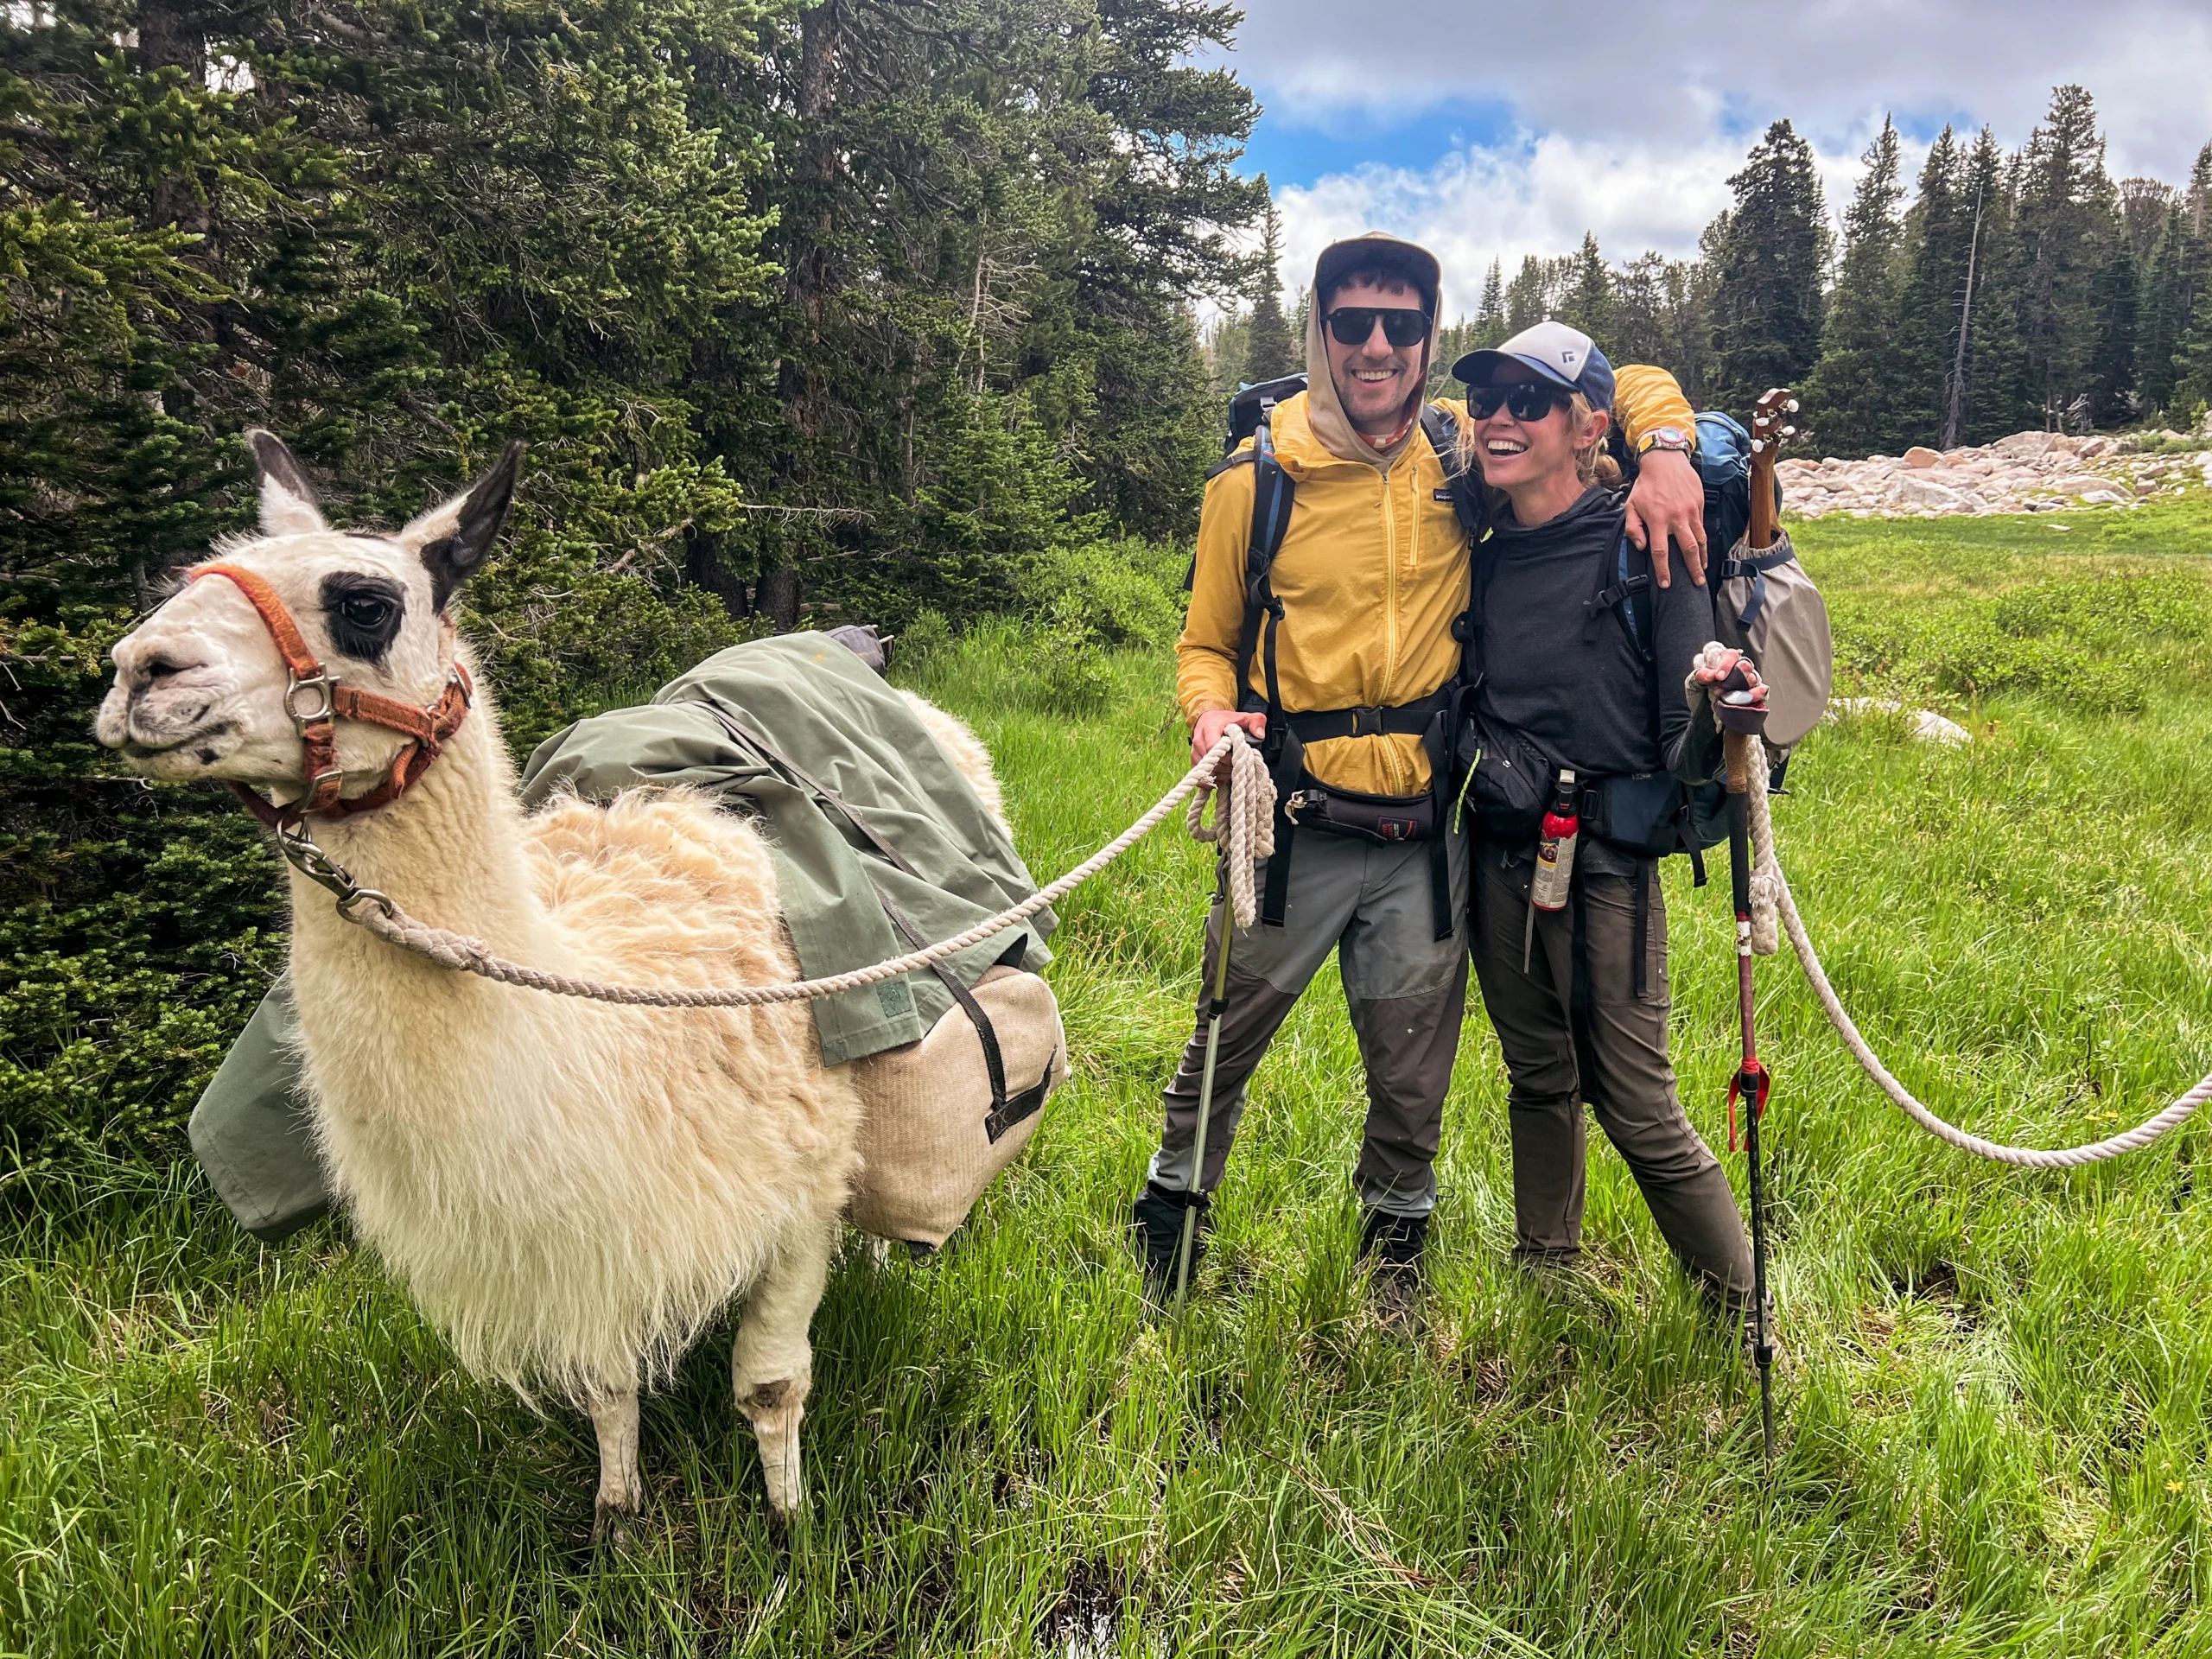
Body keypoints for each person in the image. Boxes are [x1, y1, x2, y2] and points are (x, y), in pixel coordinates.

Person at [1129, 232, 1711, 1293]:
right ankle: (1169, 1218)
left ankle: (1393, 1255)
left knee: (1411, 1073)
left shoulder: (1459, 451)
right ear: (1321, 331)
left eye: (1402, 325)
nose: (1377, 346)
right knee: (1224, 1039)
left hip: (1419, 834)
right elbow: (1205, 644)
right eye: (1352, 323)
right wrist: (1208, 719)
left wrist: (1665, 446)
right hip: (1290, 825)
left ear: (1428, 336)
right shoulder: (1254, 477)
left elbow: (1607, 379)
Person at [1452, 319, 1759, 1316]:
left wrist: (1721, 697)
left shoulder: (1648, 538)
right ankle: (1545, 1275)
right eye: (1488, 401)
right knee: (1535, 1071)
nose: (1499, 419)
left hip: (1608, 866)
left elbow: (1689, 726)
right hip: (1500, 850)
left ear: (1586, 428)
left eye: (1527, 403)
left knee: (1636, 1100)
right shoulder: (1483, 549)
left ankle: (1739, 1306)